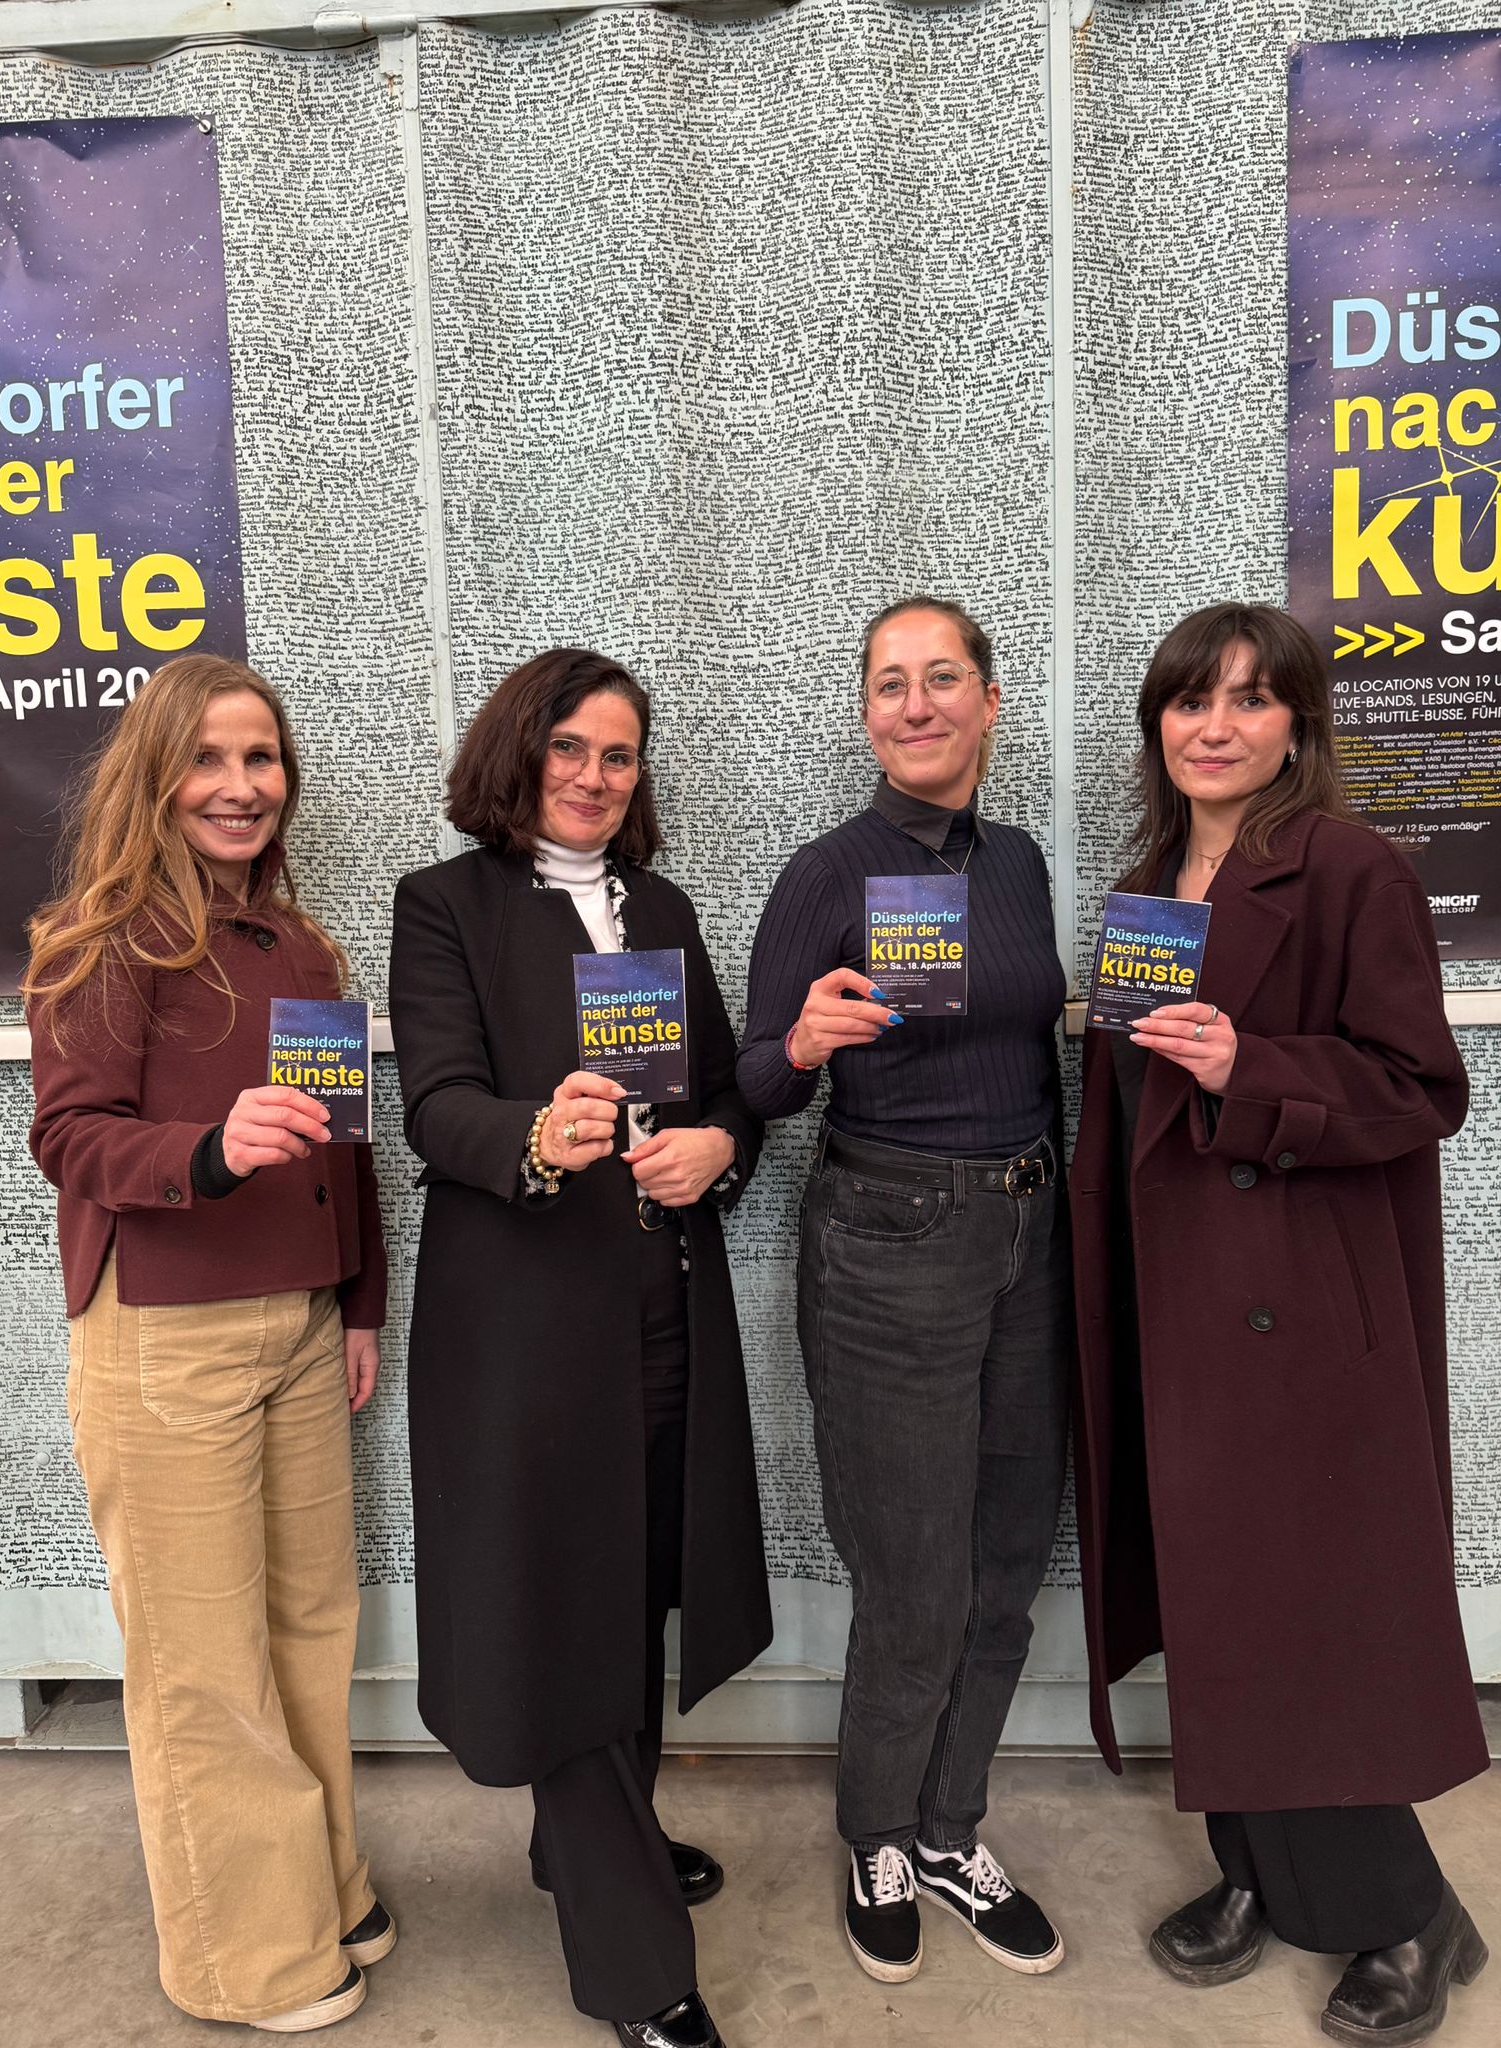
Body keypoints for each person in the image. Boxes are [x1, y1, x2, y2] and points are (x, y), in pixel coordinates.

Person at [1069, 602, 1490, 2046]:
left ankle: (1408, 1915)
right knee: (1223, 1603)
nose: (1216, 726)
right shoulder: (1147, 887)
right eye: (1192, 700)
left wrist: (1251, 1064)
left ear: (1298, 725)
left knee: (1311, 1615)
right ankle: (1256, 1867)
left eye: (1251, 700)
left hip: (1297, 1301)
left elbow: (1422, 1088)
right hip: (1175, 1290)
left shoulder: (1354, 868)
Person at [388, 648, 770, 2048]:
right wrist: (538, 1139)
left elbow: (723, 1092)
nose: (595, 778)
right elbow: (435, 1104)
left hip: (664, 1307)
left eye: (618, 755)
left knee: (639, 1582)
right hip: (528, 1329)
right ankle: (636, 1965)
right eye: (570, 750)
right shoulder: (446, 907)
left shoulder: (660, 909)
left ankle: (588, 1840)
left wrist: (720, 1146)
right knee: (567, 1601)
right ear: (518, 753)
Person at [24, 654, 393, 2034]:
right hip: (164, 1338)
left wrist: (360, 1301)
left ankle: (321, 1889)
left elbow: (343, 1143)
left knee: (308, 1631)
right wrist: (207, 1150)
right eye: (209, 760)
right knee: (203, 1666)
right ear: (154, 776)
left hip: (300, 1324)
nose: (241, 787)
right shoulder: (99, 938)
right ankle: (247, 1957)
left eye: (262, 759)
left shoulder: (300, 946)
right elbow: (69, 1136)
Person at [738, 597, 1071, 1986]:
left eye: (942, 679)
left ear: (990, 701)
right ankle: (877, 1831)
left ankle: (949, 1829)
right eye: (890, 684)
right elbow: (753, 1083)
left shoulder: (1021, 863)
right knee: (917, 1574)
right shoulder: (829, 873)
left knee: (1007, 1563)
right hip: (890, 1243)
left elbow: (1031, 1047)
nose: (917, 704)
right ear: (866, 714)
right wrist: (805, 1043)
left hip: (1029, 1235)